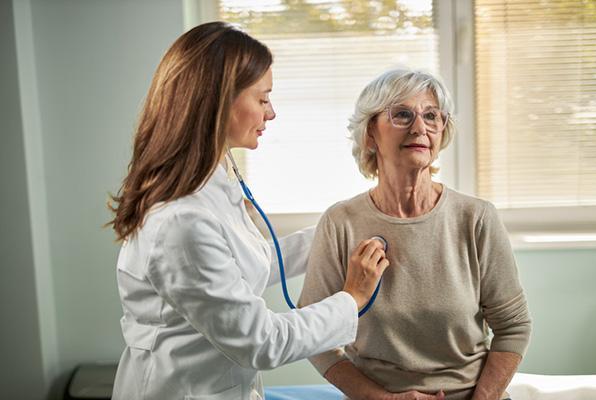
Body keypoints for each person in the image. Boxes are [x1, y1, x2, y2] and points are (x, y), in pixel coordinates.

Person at [107, 22, 389, 400]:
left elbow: (244, 267)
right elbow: (261, 341)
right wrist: (351, 298)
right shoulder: (180, 223)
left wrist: (337, 230)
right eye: (263, 98)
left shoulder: (213, 182)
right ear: (219, 100)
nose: (271, 113)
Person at [299, 68, 532, 400]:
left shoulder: (476, 218)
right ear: (369, 133)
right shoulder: (340, 223)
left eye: (431, 116)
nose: (420, 127)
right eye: (403, 114)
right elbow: (315, 339)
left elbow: (513, 327)